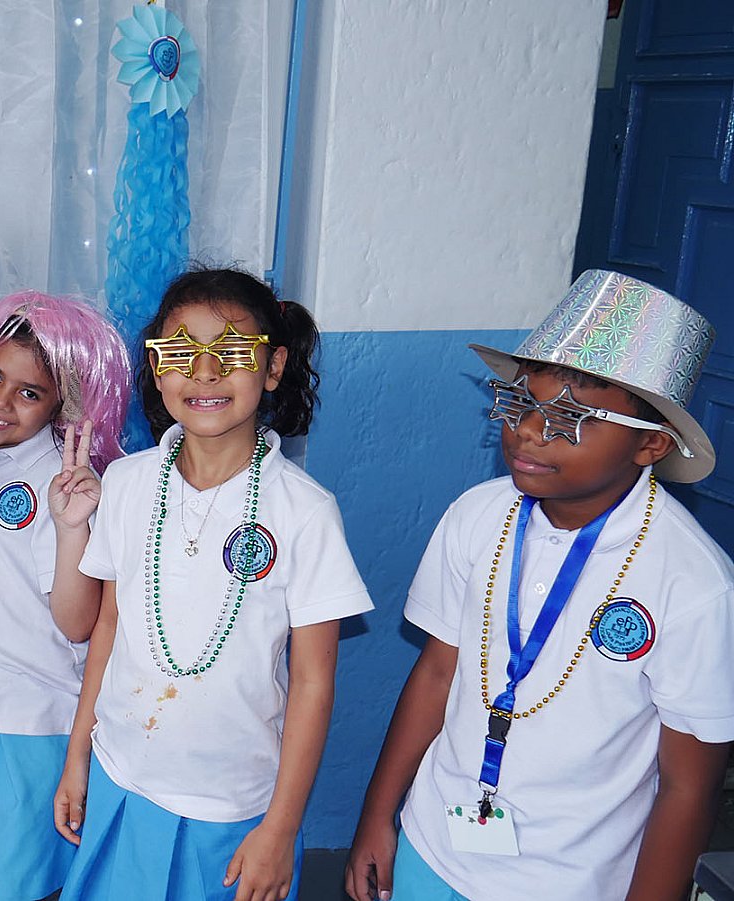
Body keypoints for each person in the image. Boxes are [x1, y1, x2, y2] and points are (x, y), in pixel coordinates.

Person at [344, 270, 734, 901]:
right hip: (434, 846)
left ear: (650, 445)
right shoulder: (477, 515)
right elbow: (437, 673)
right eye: (521, 402)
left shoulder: (692, 582)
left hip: (572, 880)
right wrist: (378, 817)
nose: (528, 429)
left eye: (571, 417)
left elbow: (689, 784)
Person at [56, 268, 372, 901]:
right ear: (157, 368)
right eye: (180, 352)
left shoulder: (304, 511)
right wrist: (78, 754)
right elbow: (109, 627)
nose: (204, 372)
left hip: (233, 806)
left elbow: (313, 682)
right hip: (123, 777)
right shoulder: (127, 483)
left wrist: (281, 828)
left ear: (273, 366)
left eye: (232, 351)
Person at [0, 291, 130, 901]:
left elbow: (78, 621)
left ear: (65, 403)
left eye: (29, 392)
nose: (1, 401)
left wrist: (70, 528)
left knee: (22, 884)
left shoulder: (59, 481)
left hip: (30, 721)